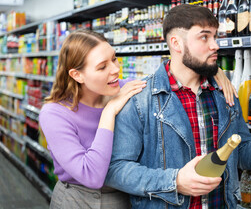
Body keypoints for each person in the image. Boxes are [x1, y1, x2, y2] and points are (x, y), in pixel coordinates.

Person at [105, 4, 251, 209]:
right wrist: (175, 181)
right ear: (176, 43)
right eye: (204, 37)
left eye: (215, 36)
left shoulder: (223, 93)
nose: (215, 45)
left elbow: (241, 155)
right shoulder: (140, 99)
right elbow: (117, 169)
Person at [39, 29, 235, 209]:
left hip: (124, 195)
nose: (115, 69)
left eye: (114, 59)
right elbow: (92, 176)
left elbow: (166, 78)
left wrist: (213, 71)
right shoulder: (54, 114)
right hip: (77, 200)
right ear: (77, 75)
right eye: (102, 67)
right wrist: (109, 112)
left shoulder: (126, 89)